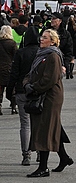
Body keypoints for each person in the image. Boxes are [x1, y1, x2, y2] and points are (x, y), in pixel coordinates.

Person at [23, 29, 73, 177]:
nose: (41, 39)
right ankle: (64, 158)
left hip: (50, 97)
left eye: (45, 37)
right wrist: (26, 83)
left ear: (52, 41)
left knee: (44, 128)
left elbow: (49, 79)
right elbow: (31, 73)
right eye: (41, 36)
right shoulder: (41, 54)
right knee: (52, 126)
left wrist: (34, 88)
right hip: (42, 94)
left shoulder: (53, 56)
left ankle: (43, 167)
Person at [6, 28, 39, 165]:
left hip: (21, 91)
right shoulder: (41, 52)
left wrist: (9, 91)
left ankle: (26, 154)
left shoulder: (20, 53)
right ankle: (39, 151)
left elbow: (14, 74)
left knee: (24, 124)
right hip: (37, 91)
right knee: (37, 123)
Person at [50, 12, 74, 79]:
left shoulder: (65, 34)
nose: (52, 20)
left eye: (54, 18)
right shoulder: (47, 31)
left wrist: (66, 62)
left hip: (60, 61)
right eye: (51, 18)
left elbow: (69, 48)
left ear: (60, 21)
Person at [0, 25, 18, 115]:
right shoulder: (12, 43)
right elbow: (16, 56)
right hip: (10, 68)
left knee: (0, 89)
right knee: (12, 88)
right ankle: (13, 107)